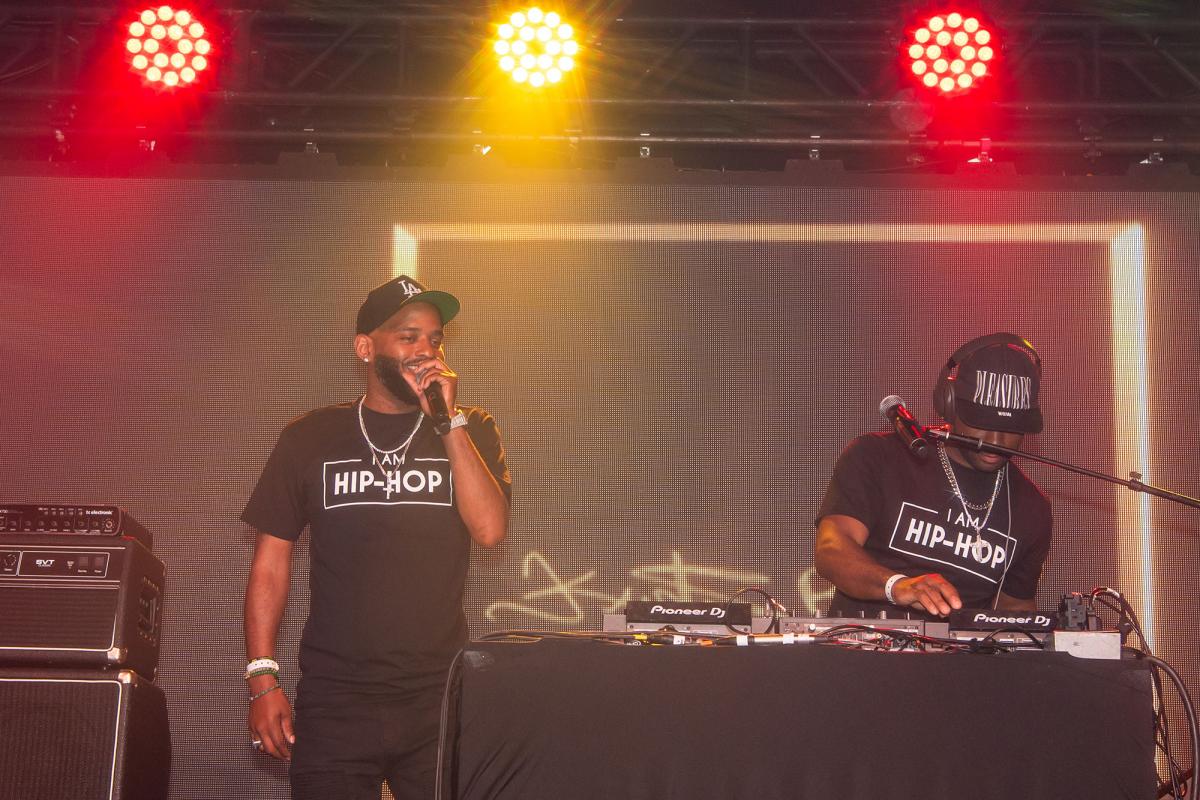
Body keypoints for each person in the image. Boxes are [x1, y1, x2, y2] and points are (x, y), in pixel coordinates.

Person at [241, 274, 511, 800]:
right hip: (336, 699)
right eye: (408, 337)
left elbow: (490, 531)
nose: (426, 351)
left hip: (437, 696)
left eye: (435, 339)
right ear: (366, 348)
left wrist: (448, 422)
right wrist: (262, 677)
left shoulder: (470, 428)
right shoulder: (310, 438)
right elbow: (270, 564)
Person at [814, 333, 1051, 619]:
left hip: (958, 649)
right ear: (948, 404)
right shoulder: (879, 456)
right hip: (862, 642)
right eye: (982, 422)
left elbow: (1014, 609)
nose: (996, 441)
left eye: (1012, 428)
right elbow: (832, 550)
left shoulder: (1032, 509)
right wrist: (897, 585)